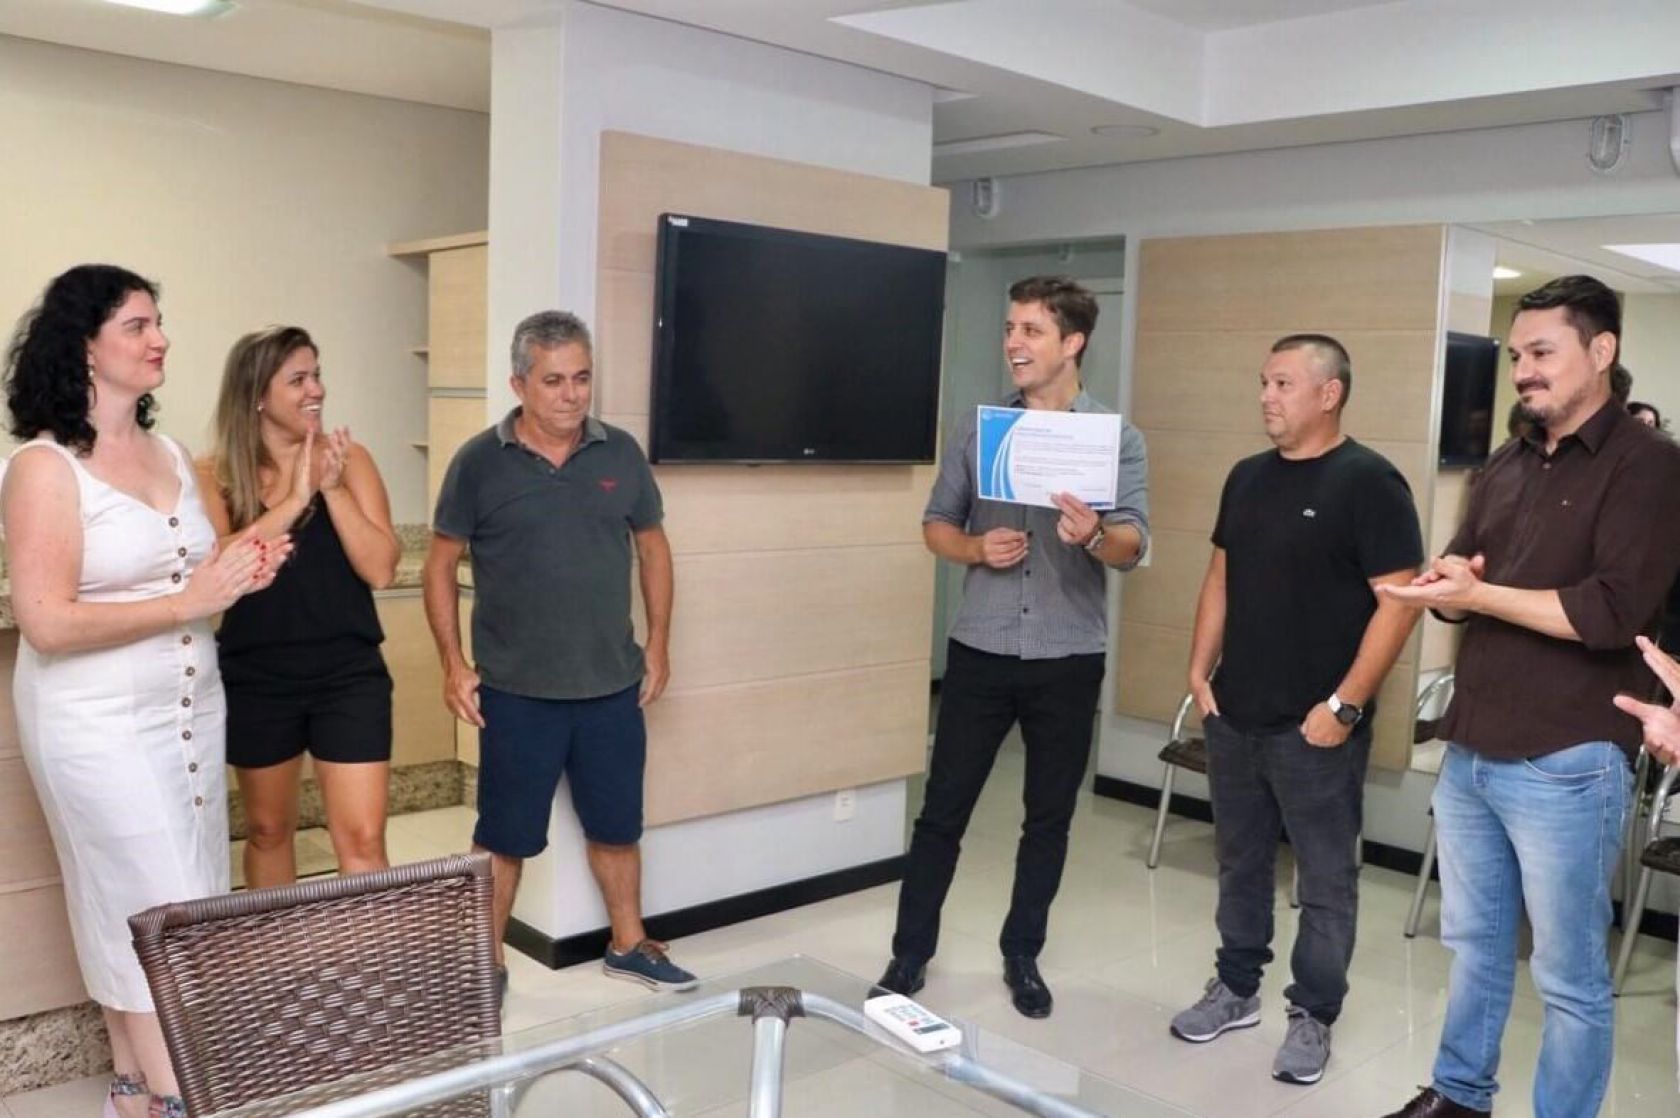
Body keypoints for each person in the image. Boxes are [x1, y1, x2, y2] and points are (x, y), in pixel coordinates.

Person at [1377, 275, 1680, 1118]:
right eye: (1516, 356)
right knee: (1473, 945)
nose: (1522, 372)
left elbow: (1610, 611)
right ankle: (1460, 1096)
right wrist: (1445, 589)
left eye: (1542, 352)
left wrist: (1478, 596)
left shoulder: (1651, 467)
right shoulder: (1508, 461)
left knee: (1567, 974)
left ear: (1602, 351)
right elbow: (1466, 572)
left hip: (1569, 758)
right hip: (1474, 742)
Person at [1, 265, 287, 1118]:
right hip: (95, 723)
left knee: (168, 895)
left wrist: (238, 571)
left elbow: (190, 573)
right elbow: (46, 621)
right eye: (136, 325)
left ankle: (135, 1090)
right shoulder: (43, 467)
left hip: (191, 710)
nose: (159, 338)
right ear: (84, 346)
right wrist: (189, 603)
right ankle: (178, 1095)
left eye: (158, 322)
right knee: (155, 903)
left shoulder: (170, 456)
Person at [875, 275, 1149, 1018]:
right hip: (982, 648)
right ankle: (908, 955)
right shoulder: (981, 430)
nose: (1014, 343)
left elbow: (1132, 545)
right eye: (1009, 328)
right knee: (942, 813)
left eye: (1031, 330)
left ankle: (1022, 955)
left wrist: (1093, 534)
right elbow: (936, 524)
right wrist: (973, 548)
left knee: (1048, 818)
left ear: (1073, 342)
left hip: (1069, 655)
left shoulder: (1114, 439)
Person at [1169, 335, 1423, 1085]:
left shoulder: (1370, 482)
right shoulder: (1246, 477)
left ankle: (1313, 1013)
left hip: (1316, 728)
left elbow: (1399, 604)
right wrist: (1199, 668)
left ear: (1328, 393)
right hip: (1236, 713)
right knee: (1239, 862)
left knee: (1324, 880)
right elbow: (1221, 575)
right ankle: (1236, 988)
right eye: (1263, 382)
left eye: (1282, 383)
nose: (1265, 397)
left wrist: (1344, 706)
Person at [422, 309, 692, 996]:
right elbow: (439, 563)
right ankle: (484, 964)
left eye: (582, 378)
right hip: (517, 691)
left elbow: (653, 548)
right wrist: (453, 663)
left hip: (610, 685)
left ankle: (628, 944)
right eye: (553, 381)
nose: (572, 395)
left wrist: (659, 643)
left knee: (617, 826)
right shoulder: (478, 463)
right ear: (519, 384)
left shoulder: (620, 453)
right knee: (503, 836)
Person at [197, 326, 400, 888]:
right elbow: (218, 565)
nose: (316, 390)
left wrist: (330, 488)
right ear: (258, 394)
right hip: (257, 676)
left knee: (363, 838)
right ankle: (281, 947)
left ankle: (369, 948)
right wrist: (295, 498)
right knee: (267, 830)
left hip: (349, 675)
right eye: (299, 379)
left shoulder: (351, 460)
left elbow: (381, 568)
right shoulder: (214, 474)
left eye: (317, 375)